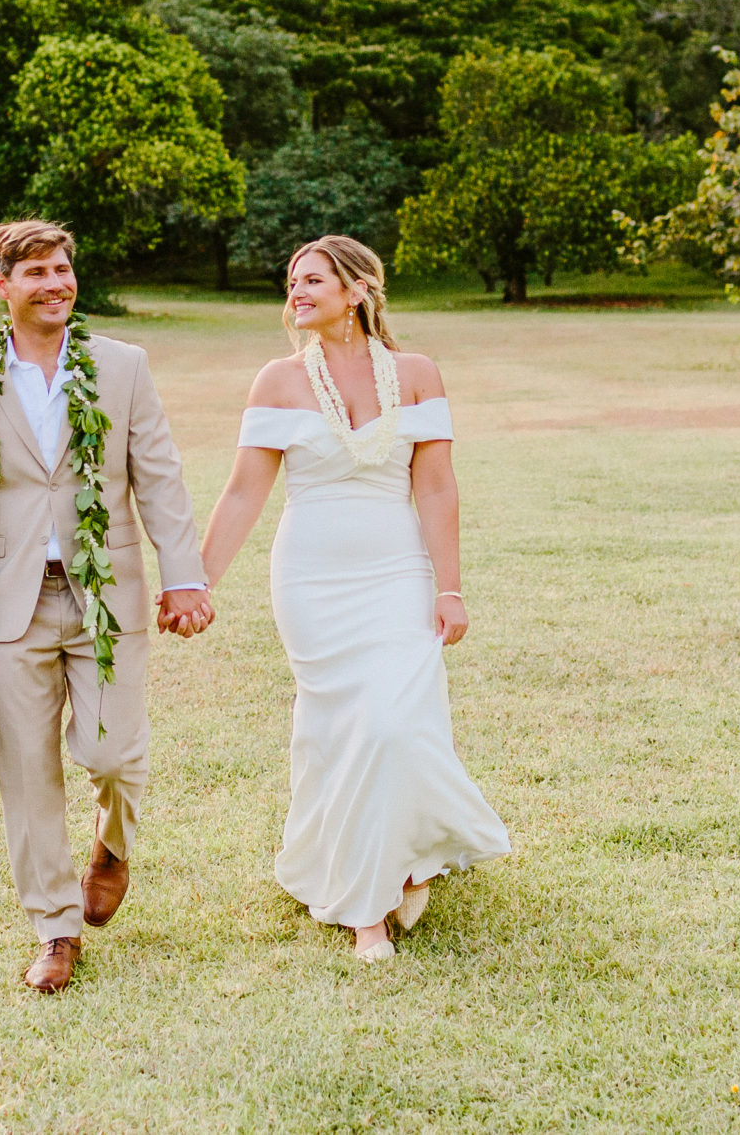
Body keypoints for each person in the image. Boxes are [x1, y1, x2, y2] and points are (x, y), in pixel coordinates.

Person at [0, 220, 215, 994]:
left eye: (64, 268)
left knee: (113, 750)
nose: (56, 283)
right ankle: (55, 928)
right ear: (0, 282)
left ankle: (112, 846)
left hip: (106, 594)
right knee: (28, 771)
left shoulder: (123, 366)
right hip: (8, 605)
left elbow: (161, 476)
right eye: (37, 271)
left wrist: (185, 575)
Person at [196, 235, 510, 962]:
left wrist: (450, 585)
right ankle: (366, 906)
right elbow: (245, 491)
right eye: (292, 282)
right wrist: (196, 581)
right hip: (310, 579)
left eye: (312, 280)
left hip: (397, 572)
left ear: (358, 288)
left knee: (396, 722)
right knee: (342, 728)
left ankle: (395, 854)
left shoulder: (419, 373)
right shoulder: (277, 379)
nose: (296, 292)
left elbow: (436, 486)